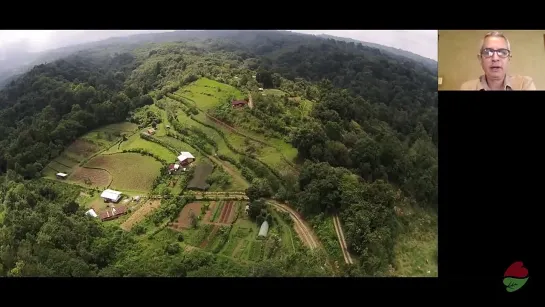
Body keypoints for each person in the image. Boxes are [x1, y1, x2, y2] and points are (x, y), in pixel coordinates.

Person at [460, 31, 536, 90]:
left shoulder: (524, 84)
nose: (495, 58)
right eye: (488, 52)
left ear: (509, 58)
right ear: (480, 59)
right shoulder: (467, 87)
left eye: (503, 52)